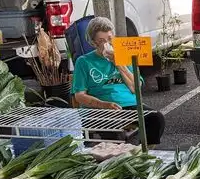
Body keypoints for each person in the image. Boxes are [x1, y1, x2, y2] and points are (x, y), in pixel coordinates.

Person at [71, 17, 166, 145]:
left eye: (110, 39)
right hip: (100, 108)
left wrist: (119, 63)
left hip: (128, 105)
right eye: (101, 41)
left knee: (156, 119)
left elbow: (135, 87)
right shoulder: (84, 61)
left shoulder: (125, 56)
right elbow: (79, 96)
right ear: (93, 42)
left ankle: (145, 152)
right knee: (114, 133)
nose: (107, 43)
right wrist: (104, 104)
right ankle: (116, 158)